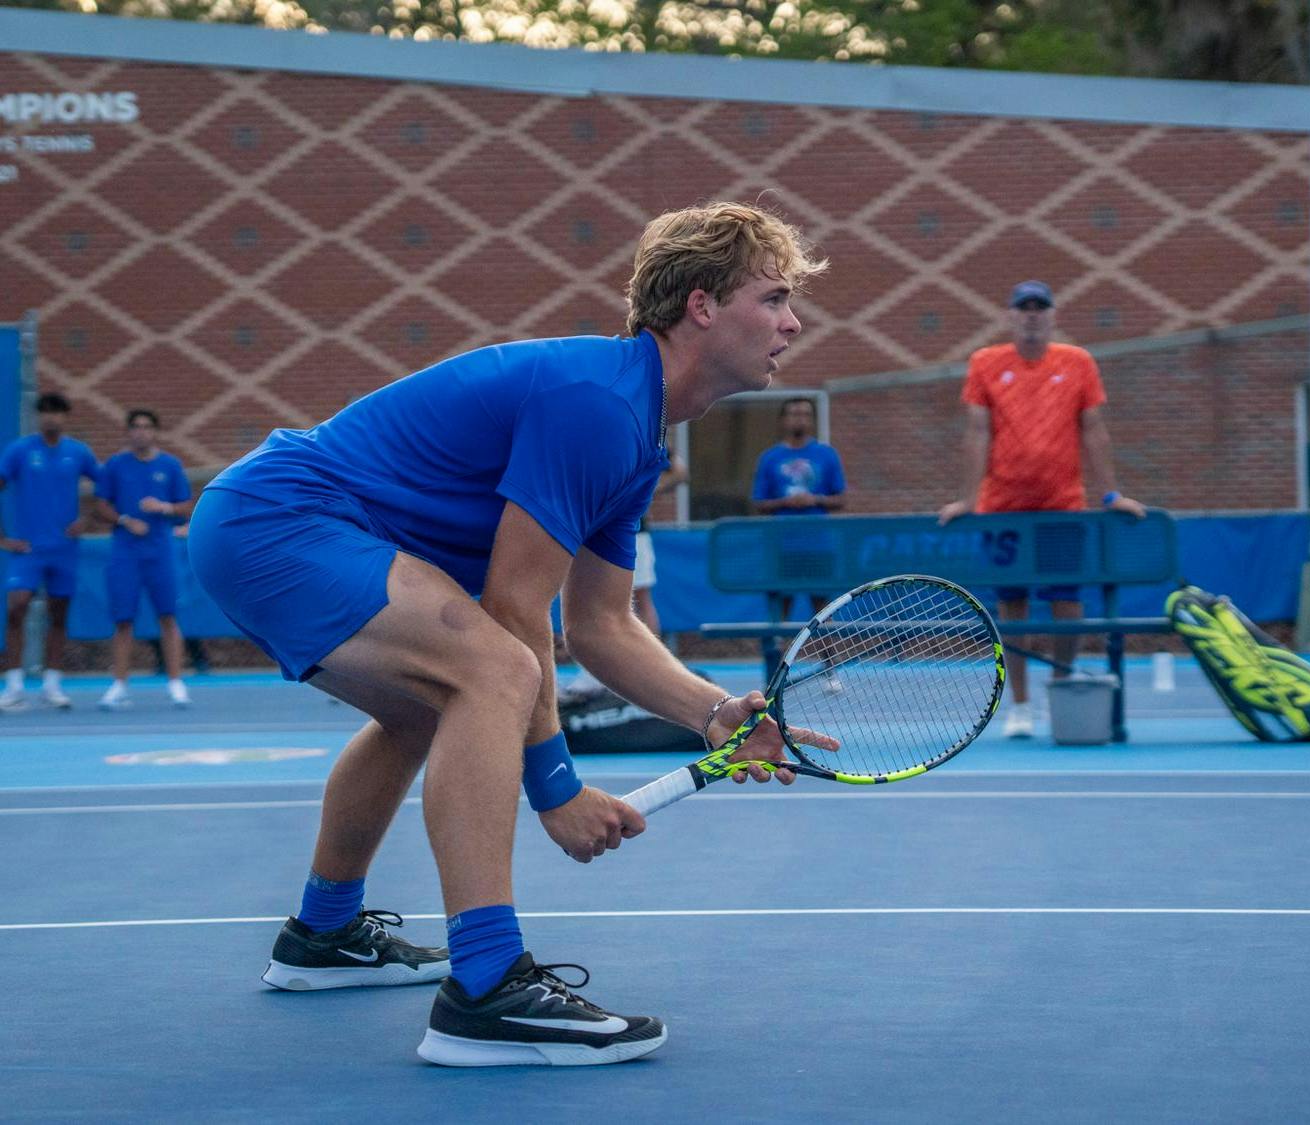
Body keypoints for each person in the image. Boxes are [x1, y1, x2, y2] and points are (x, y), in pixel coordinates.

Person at [187, 201, 831, 1068]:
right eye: (774, 297)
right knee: (494, 670)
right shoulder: (599, 404)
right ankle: (486, 989)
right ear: (703, 306)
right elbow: (518, 610)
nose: (793, 321)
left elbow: (602, 625)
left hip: (268, 523)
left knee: (432, 712)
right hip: (284, 517)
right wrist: (556, 788)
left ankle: (324, 934)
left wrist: (714, 713)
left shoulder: (635, 434)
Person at [939, 280, 1146, 738]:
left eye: (1040, 307)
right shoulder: (986, 363)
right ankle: (1019, 704)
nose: (1032, 314)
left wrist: (1112, 494)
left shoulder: (1078, 362)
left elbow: (1094, 430)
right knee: (1013, 606)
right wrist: (968, 500)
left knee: (1067, 604)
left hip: (1062, 507)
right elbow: (977, 433)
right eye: (1023, 307)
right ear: (1010, 316)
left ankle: (1060, 687)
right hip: (1003, 509)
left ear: (1053, 315)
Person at [0, 392, 101, 711]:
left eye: (57, 412)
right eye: (45, 412)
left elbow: (104, 487)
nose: (51, 418)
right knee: (16, 607)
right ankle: (14, 685)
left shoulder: (78, 452)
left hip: (63, 549)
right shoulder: (20, 451)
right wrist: (3, 538)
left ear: (65, 417)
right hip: (28, 549)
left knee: (59, 614)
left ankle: (52, 684)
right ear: (38, 416)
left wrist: (85, 520)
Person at [93, 409, 194, 710]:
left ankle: (176, 682)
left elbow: (186, 504)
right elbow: (100, 505)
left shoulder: (170, 465)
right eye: (135, 427)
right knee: (123, 619)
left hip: (160, 551)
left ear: (155, 431)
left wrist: (163, 507)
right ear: (128, 432)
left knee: (168, 616)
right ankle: (120, 683)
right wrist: (125, 520)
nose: (141, 432)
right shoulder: (115, 465)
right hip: (125, 552)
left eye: (147, 427)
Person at [750, 396, 848, 622]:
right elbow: (758, 502)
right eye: (794, 414)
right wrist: (786, 503)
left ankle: (830, 658)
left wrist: (815, 500)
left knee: (823, 611)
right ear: (783, 420)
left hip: (818, 545)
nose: (800, 420)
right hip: (782, 545)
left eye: (805, 414)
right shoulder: (770, 458)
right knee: (781, 611)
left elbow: (841, 498)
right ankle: (780, 658)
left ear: (812, 420)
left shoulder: (826, 455)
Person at [631, 446, 687, 637]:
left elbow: (679, 471)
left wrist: (647, 490)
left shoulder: (641, 429)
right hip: (594, 530)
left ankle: (649, 656)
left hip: (633, 530)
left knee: (640, 596)